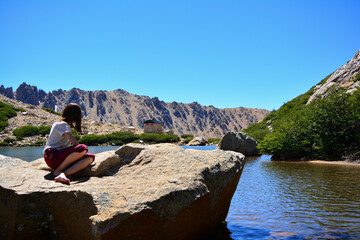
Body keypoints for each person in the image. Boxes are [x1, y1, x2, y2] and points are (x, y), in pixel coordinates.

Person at [43, 103, 95, 184]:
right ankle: (58, 171)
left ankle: (63, 174)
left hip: (59, 158)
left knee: (90, 157)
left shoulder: (64, 124)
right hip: (52, 156)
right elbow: (74, 143)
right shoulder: (62, 124)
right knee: (82, 148)